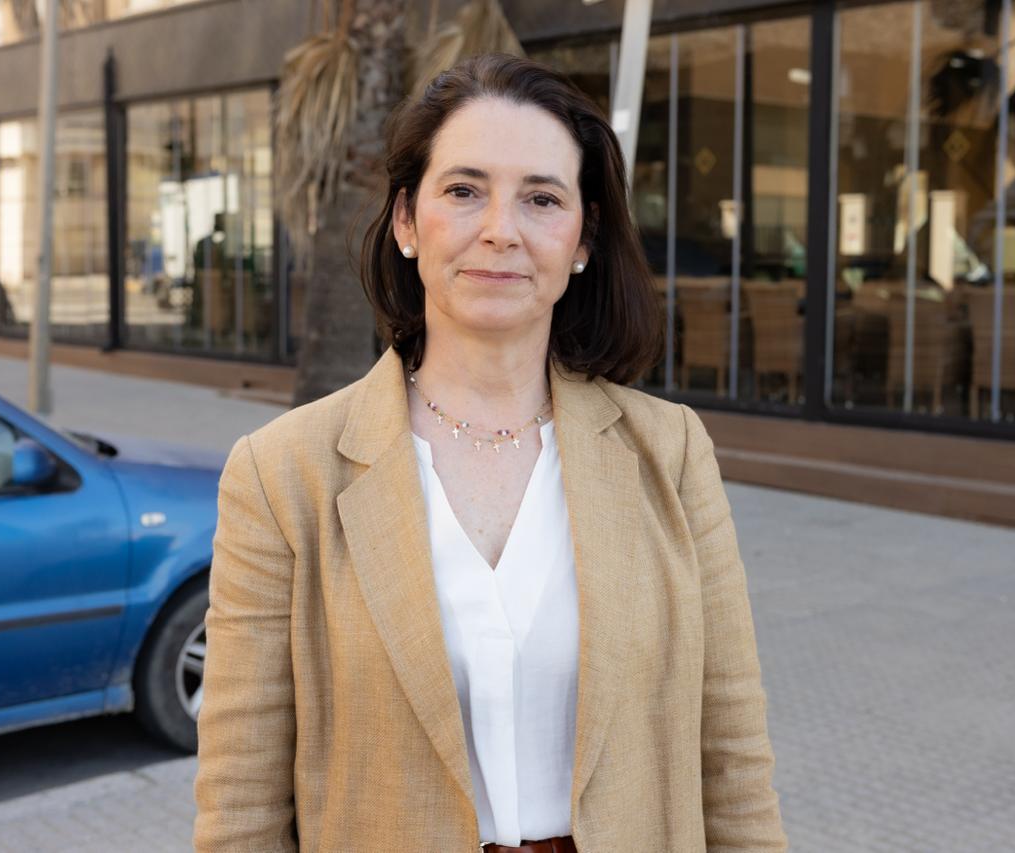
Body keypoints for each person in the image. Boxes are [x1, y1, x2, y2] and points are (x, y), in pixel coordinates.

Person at [193, 53, 786, 852]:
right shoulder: (281, 473)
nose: (501, 229)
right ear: (407, 221)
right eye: (464, 190)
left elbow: (735, 760)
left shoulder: (671, 453)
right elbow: (240, 806)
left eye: (541, 198)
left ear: (583, 238)